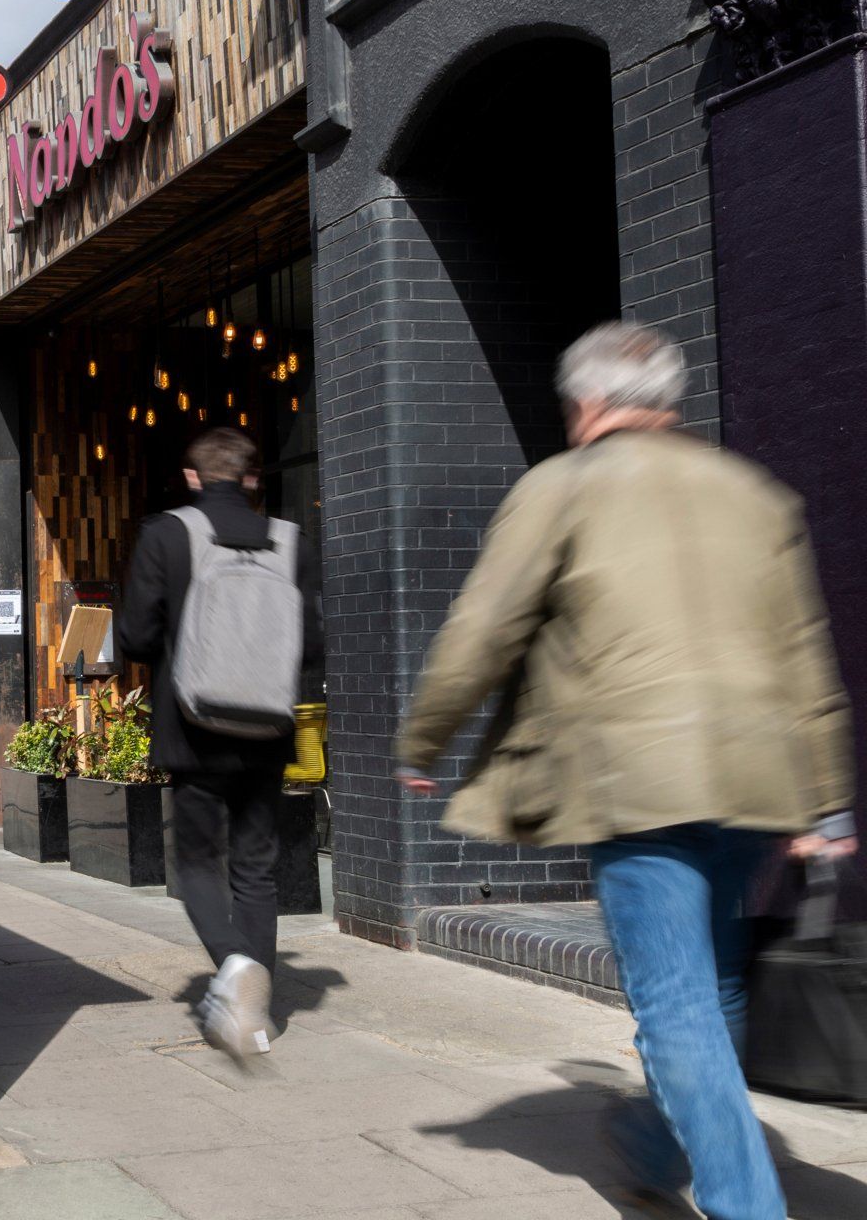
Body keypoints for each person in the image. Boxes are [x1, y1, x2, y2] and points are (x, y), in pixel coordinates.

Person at [395, 322, 856, 1220]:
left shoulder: (560, 488)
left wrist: (423, 742)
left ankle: (745, 1206)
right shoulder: (754, 495)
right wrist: (828, 799)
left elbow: (482, 629)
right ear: (668, 402)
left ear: (586, 404)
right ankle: (651, 1142)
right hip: (758, 782)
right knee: (711, 982)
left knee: (677, 1001)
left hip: (636, 782)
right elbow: (806, 652)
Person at [118, 427, 320, 1058]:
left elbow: (134, 636)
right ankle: (258, 1016)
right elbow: (312, 644)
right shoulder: (291, 541)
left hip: (193, 725)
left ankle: (234, 968)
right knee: (257, 868)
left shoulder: (167, 534)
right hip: (266, 728)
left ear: (194, 477)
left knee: (199, 862)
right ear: (254, 479)